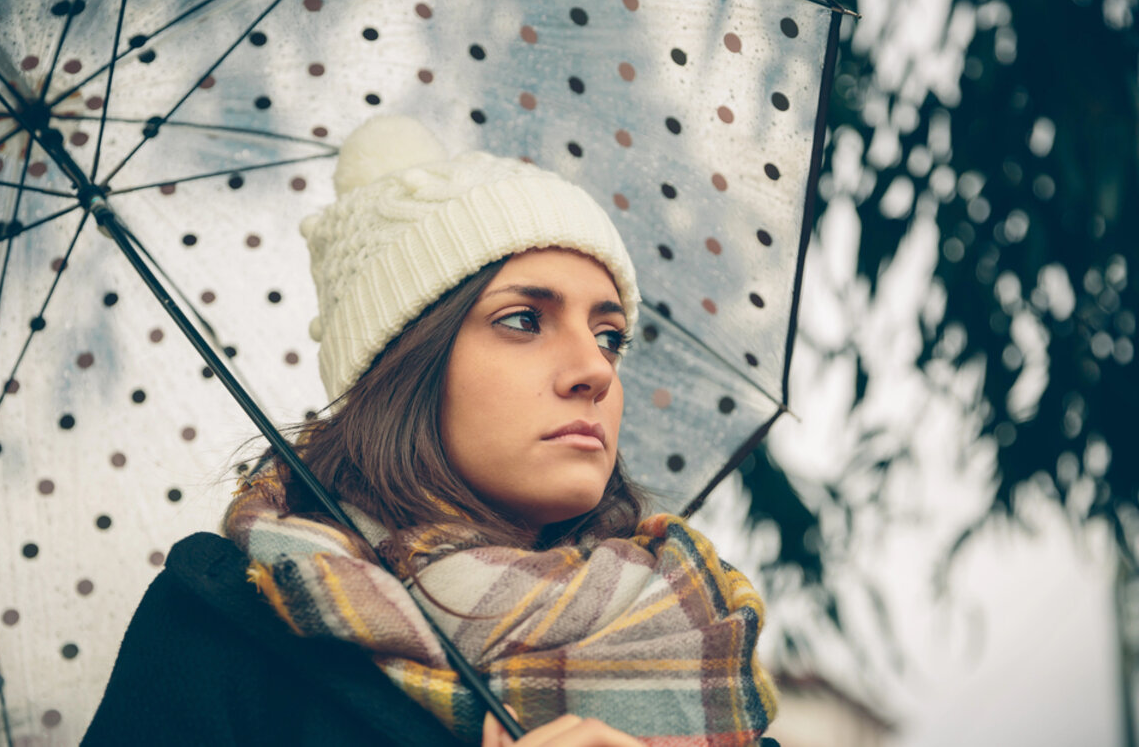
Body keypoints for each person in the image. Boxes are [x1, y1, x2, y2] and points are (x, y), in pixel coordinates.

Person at [83, 116, 778, 746]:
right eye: (523, 321)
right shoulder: (226, 628)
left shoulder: (693, 637)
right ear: (405, 370)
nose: (593, 370)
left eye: (610, 335)